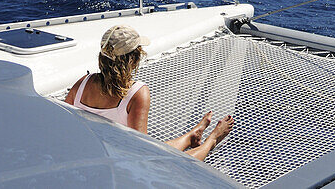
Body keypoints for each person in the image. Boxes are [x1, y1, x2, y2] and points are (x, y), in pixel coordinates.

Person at [64, 24, 233, 161]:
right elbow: (142, 150)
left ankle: (191, 136)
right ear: (133, 59)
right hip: (119, 164)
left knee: (155, 150)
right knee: (176, 163)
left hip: (90, 156)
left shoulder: (82, 83)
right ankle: (212, 139)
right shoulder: (136, 94)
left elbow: (61, 123)